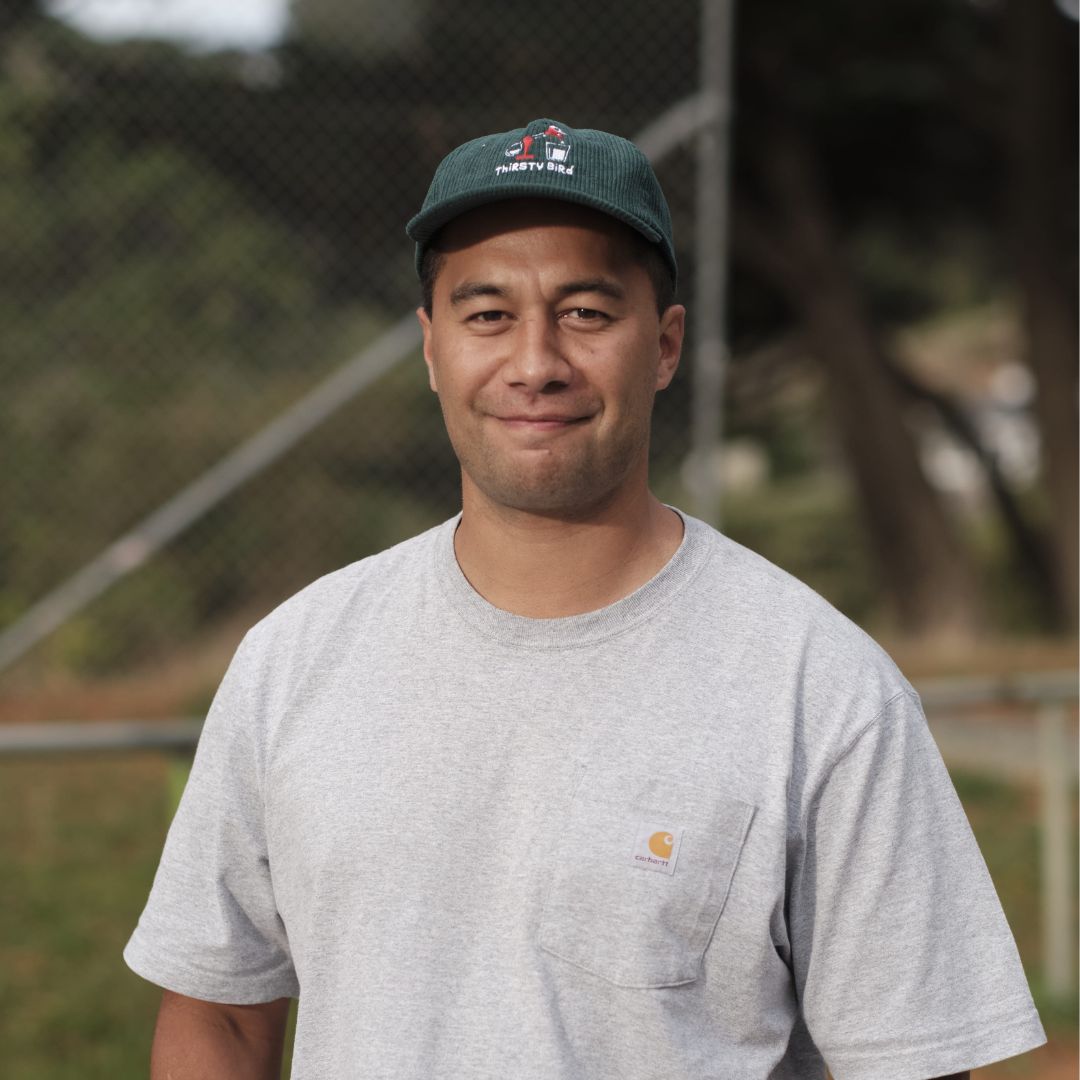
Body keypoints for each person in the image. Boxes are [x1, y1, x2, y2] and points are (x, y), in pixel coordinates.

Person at [125, 118, 1046, 1080]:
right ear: (432, 347)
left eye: (586, 313)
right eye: (487, 315)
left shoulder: (821, 689)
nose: (535, 362)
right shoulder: (293, 659)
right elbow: (218, 1015)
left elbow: (915, 1063)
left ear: (665, 344)